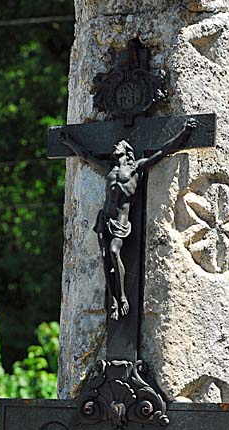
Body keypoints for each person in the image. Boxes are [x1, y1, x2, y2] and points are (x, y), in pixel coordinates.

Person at [59, 118, 198, 320]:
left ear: (126, 152)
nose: (115, 146)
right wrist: (67, 141)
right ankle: (113, 300)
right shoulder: (109, 170)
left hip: (120, 221)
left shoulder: (135, 169)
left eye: (119, 145)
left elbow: (163, 151)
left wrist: (185, 133)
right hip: (104, 218)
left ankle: (123, 296)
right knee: (106, 257)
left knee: (115, 252)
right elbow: (85, 155)